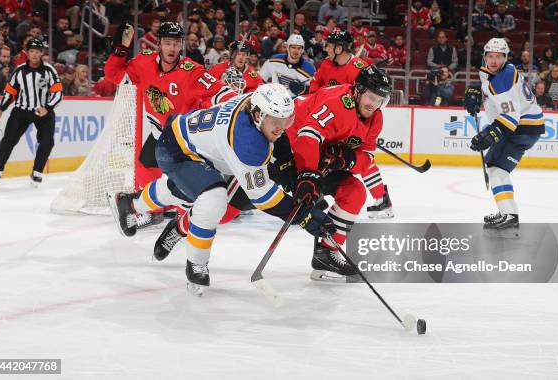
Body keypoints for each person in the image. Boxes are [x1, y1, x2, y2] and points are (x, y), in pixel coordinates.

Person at [108, 84, 334, 294]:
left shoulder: (258, 106)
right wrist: (304, 216)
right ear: (258, 115)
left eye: (286, 119)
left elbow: (280, 136)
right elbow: (262, 196)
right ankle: (196, 264)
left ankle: (129, 204)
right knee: (214, 198)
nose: (282, 126)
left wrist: (287, 169)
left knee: (182, 190)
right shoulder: (248, 143)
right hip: (176, 150)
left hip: (195, 145)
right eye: (276, 120)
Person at [275, 66, 393, 279]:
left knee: (355, 192)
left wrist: (347, 159)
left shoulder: (376, 119)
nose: (374, 105)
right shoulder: (336, 102)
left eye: (380, 100)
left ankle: (325, 254)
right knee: (235, 206)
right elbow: (307, 137)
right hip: (289, 147)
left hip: (318, 155)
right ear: (358, 90)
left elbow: (365, 159)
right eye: (371, 97)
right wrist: (308, 174)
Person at [104, 22, 236, 191]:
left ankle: (189, 210)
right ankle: (154, 210)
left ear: (182, 44)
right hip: (159, 133)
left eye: (176, 43)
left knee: (185, 182)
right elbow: (113, 75)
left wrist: (241, 105)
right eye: (167, 43)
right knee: (145, 167)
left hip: (185, 138)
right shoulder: (144, 62)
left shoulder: (192, 70)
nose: (171, 48)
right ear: (159, 43)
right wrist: (119, 49)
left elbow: (220, 92)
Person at [309, 31, 394, 218]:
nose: (327, 49)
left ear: (339, 48)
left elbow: (369, 100)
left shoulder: (359, 67)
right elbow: (316, 85)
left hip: (351, 123)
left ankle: (381, 199)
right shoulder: (326, 64)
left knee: (359, 158)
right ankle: (315, 193)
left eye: (330, 46)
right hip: (329, 120)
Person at [464, 38, 545, 232]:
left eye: (498, 57)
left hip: (522, 127)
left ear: (505, 57)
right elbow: (489, 86)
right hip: (524, 126)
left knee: (497, 169)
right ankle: (508, 213)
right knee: (495, 167)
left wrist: (490, 134)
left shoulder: (502, 80)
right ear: (485, 57)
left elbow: (511, 115)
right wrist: (478, 90)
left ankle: (509, 215)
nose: (493, 61)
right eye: (490, 56)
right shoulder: (499, 72)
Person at [0, 39, 63, 185]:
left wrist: (47, 108)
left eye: (37, 51)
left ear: (41, 53)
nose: (34, 54)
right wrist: (0, 109)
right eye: (31, 51)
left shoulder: (49, 70)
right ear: (27, 53)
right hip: (21, 111)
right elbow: (10, 92)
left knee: (47, 141)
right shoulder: (19, 71)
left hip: (43, 112)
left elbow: (58, 93)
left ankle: (37, 172)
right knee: (8, 140)